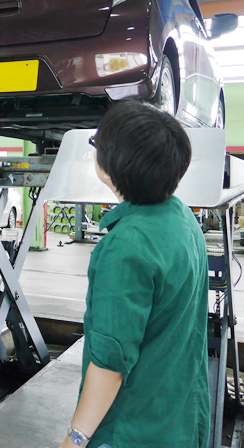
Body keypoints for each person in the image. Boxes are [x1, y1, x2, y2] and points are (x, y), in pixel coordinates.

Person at [59, 100, 209, 448]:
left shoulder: (127, 246)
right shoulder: (183, 218)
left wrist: (76, 439)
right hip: (178, 417)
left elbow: (110, 365)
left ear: (111, 168)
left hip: (133, 430)